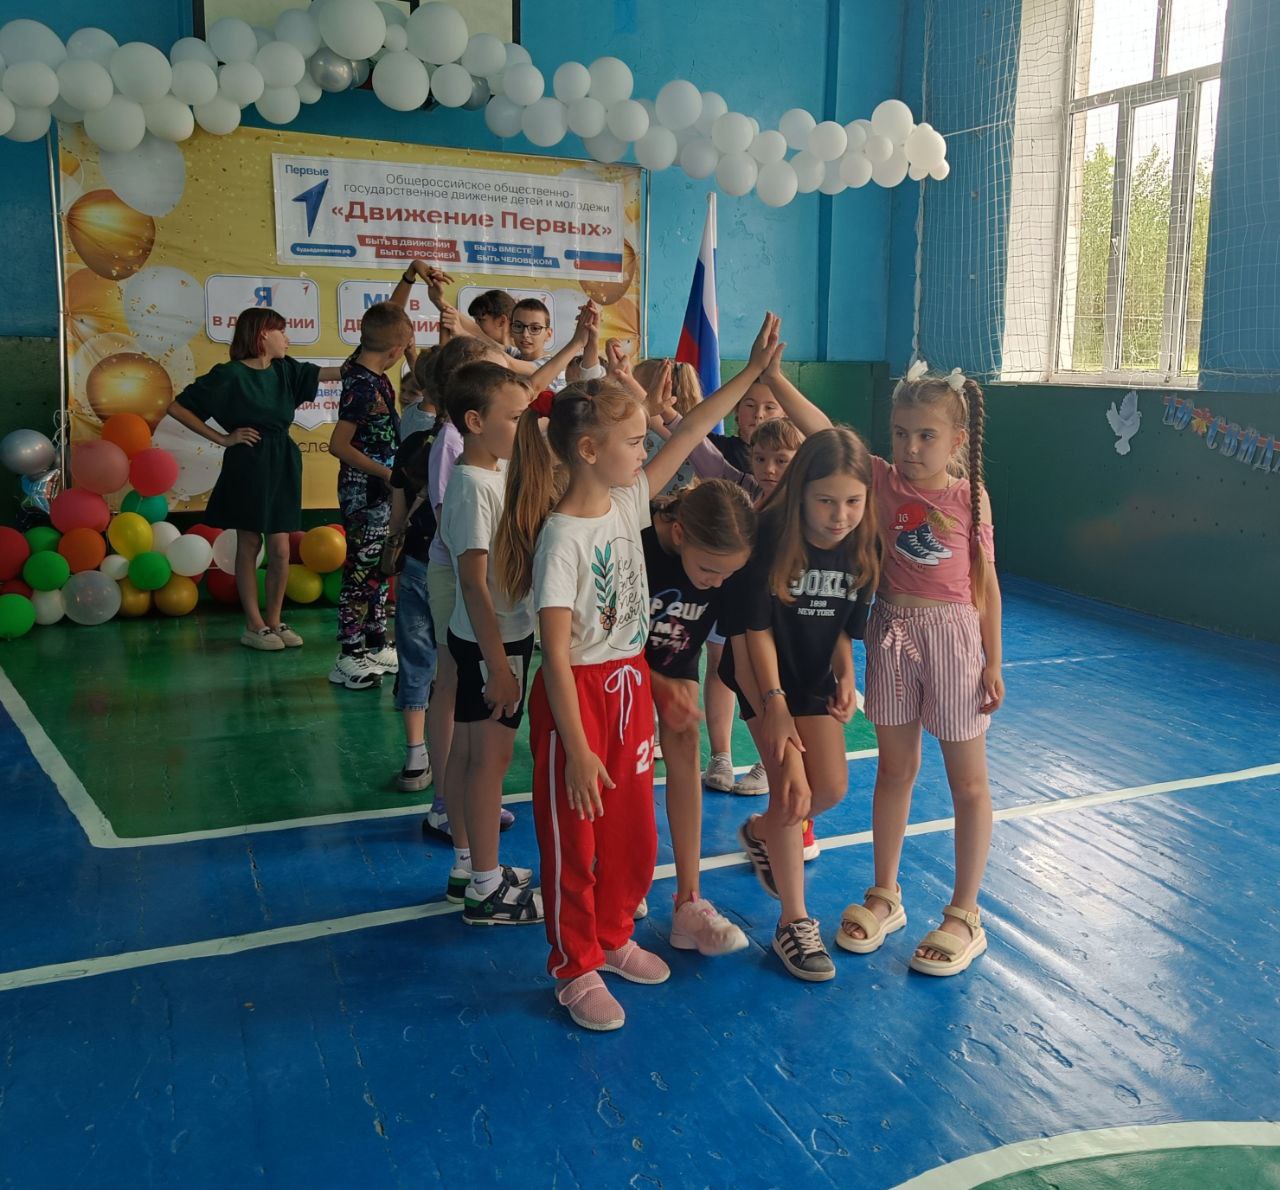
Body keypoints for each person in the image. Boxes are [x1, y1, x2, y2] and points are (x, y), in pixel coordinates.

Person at [494, 312, 781, 1032]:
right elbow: (555, 654)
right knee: (576, 840)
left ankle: (614, 933)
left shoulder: (628, 501)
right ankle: (574, 965)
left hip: (628, 683)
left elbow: (692, 427)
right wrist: (577, 747)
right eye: (631, 441)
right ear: (589, 450)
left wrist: (752, 373)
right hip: (579, 696)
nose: (644, 447)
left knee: (632, 835)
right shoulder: (562, 537)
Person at [836, 364, 1002, 977]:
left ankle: (964, 913)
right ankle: (886, 893)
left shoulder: (969, 496)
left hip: (953, 638)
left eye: (926, 435)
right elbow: (827, 431)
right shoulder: (882, 480)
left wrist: (993, 660)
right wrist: (770, 378)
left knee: (968, 783)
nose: (911, 447)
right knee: (894, 769)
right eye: (901, 433)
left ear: (956, 440)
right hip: (890, 631)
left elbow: (986, 584)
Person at [720, 427, 879, 981]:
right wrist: (774, 706)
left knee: (828, 789)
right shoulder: (767, 537)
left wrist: (846, 673)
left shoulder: (864, 544)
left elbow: (841, 627)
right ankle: (794, 921)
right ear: (801, 491)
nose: (840, 516)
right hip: (758, 671)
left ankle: (762, 832)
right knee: (791, 789)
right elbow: (753, 633)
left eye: (853, 501)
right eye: (826, 501)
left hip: (811, 676)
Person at [167, 307, 341, 651]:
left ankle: (274, 620)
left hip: (283, 460)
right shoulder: (230, 374)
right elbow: (177, 407)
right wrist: (223, 438)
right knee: (249, 544)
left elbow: (338, 371)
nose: (287, 338)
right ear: (263, 335)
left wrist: (379, 348)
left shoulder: (286, 370)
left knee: (280, 548)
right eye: (281, 331)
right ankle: (253, 624)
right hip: (248, 462)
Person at [437, 362, 542, 924]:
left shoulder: (489, 473)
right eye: (516, 418)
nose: (525, 428)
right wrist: (499, 666)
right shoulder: (475, 487)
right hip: (494, 642)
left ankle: (467, 866)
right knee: (489, 763)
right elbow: (475, 583)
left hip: (485, 637)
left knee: (469, 754)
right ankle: (485, 888)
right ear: (475, 422)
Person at [644, 480, 757, 956]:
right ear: (678, 533)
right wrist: (655, 684)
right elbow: (594, 639)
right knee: (618, 764)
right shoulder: (638, 545)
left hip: (675, 663)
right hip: (613, 664)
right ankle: (609, 876)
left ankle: (689, 902)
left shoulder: (727, 571)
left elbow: (741, 660)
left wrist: (774, 720)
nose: (716, 583)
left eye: (728, 574)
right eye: (708, 570)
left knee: (687, 745)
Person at [327, 282, 417, 690]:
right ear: (397, 351)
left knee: (380, 567)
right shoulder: (361, 386)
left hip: (382, 493)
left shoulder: (363, 363)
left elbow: (387, 320)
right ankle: (348, 653)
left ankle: (376, 642)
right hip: (364, 494)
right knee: (360, 572)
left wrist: (409, 279)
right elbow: (338, 445)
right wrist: (384, 472)